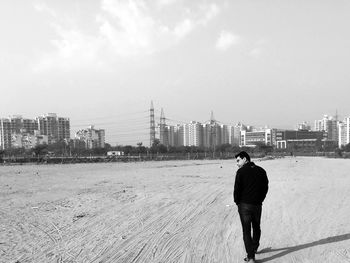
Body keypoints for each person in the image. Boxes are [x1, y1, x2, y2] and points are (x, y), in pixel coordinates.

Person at [233, 151, 269, 263]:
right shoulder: (261, 170)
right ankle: (254, 247)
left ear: (245, 159)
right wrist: (260, 200)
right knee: (257, 226)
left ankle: (251, 257)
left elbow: (237, 190)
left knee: (246, 230)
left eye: (238, 160)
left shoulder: (241, 171)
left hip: (244, 206)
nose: (237, 163)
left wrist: (237, 202)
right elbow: (265, 188)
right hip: (257, 205)